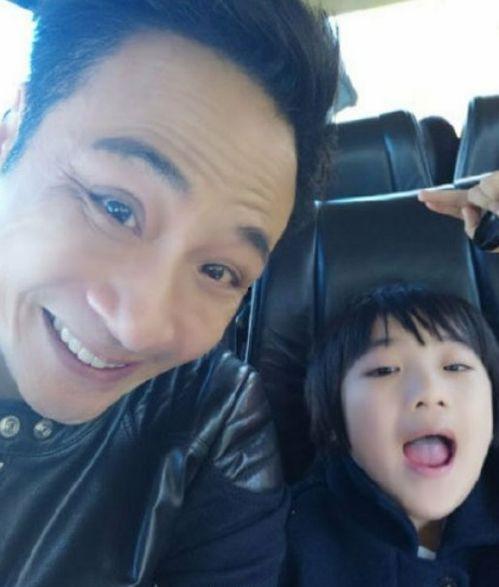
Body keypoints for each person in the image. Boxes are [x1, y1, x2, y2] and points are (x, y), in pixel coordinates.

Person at [0, 1, 338, 585]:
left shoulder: (213, 423)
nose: (140, 327)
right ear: (10, 134)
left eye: (218, 271)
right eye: (115, 208)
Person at [284, 282, 499, 586]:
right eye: (384, 370)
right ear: (334, 421)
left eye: (456, 366)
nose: (430, 392)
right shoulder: (284, 542)